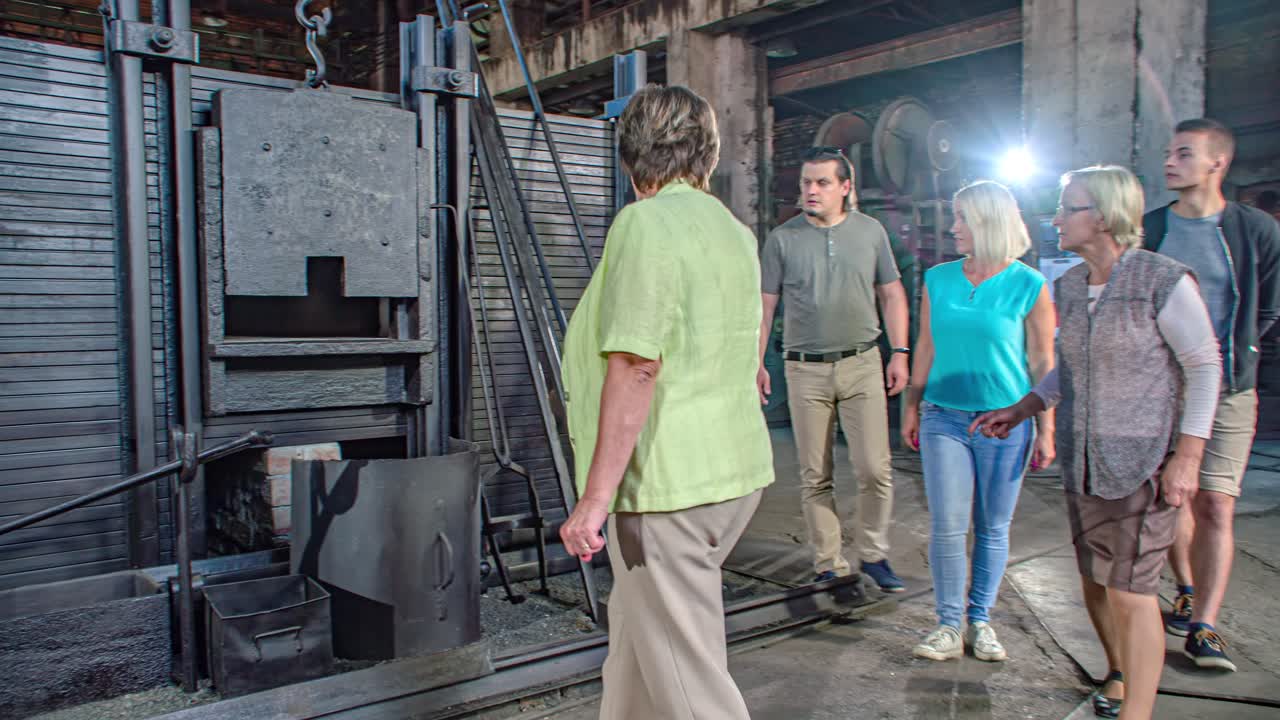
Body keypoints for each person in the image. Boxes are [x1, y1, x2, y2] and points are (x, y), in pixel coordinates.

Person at [973, 166, 1221, 719]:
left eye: (1068, 209)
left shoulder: (1161, 280)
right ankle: (1119, 675)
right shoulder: (1070, 285)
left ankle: (1138, 712)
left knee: (1131, 592)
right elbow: (1069, 369)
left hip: (1142, 461)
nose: (1056, 219)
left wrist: (1188, 456)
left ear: (1104, 217)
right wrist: (1023, 408)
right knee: (1095, 580)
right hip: (1085, 461)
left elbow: (1204, 367)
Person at [558, 85, 773, 720]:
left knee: (691, 689)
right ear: (707, 153)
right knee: (636, 652)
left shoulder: (644, 223)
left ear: (631, 156)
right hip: (730, 477)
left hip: (666, 492)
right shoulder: (733, 232)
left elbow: (636, 365)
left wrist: (594, 501)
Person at [901, 181, 1056, 663]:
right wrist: (911, 405)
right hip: (943, 416)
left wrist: (1045, 428)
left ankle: (980, 621)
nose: (953, 227)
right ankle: (948, 625)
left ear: (989, 222)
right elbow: (926, 345)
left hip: (1004, 422)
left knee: (992, 526)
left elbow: (1043, 362)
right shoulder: (938, 279)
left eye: (962, 217)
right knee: (947, 524)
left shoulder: (1029, 285)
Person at [1145, 118, 1280, 671]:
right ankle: (1185, 587)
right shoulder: (1153, 228)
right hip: (1161, 388)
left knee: (1217, 502)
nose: (1170, 162)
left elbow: (1267, 306)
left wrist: (1237, 353)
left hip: (1228, 388)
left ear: (1217, 162)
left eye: (1183, 153)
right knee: (1173, 495)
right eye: (1169, 152)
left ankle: (1205, 625)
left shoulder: (1255, 230)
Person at [758, 146, 911, 591]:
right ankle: (828, 561)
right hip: (804, 369)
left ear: (845, 187)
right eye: (806, 182)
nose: (811, 190)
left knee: (874, 469)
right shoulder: (783, 239)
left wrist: (899, 352)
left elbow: (892, 294)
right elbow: (764, 307)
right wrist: (756, 362)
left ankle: (874, 554)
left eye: (822, 182)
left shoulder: (870, 232)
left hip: (862, 362)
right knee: (815, 474)